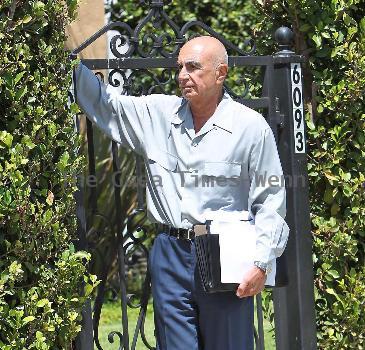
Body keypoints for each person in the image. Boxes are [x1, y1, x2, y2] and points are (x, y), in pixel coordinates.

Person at [74, 36, 289, 350]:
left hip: (225, 254)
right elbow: (107, 105)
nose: (182, 75)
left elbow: (270, 200)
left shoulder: (250, 127)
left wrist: (260, 264)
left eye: (193, 67)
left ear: (221, 73)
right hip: (170, 252)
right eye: (179, 67)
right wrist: (63, 61)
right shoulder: (159, 115)